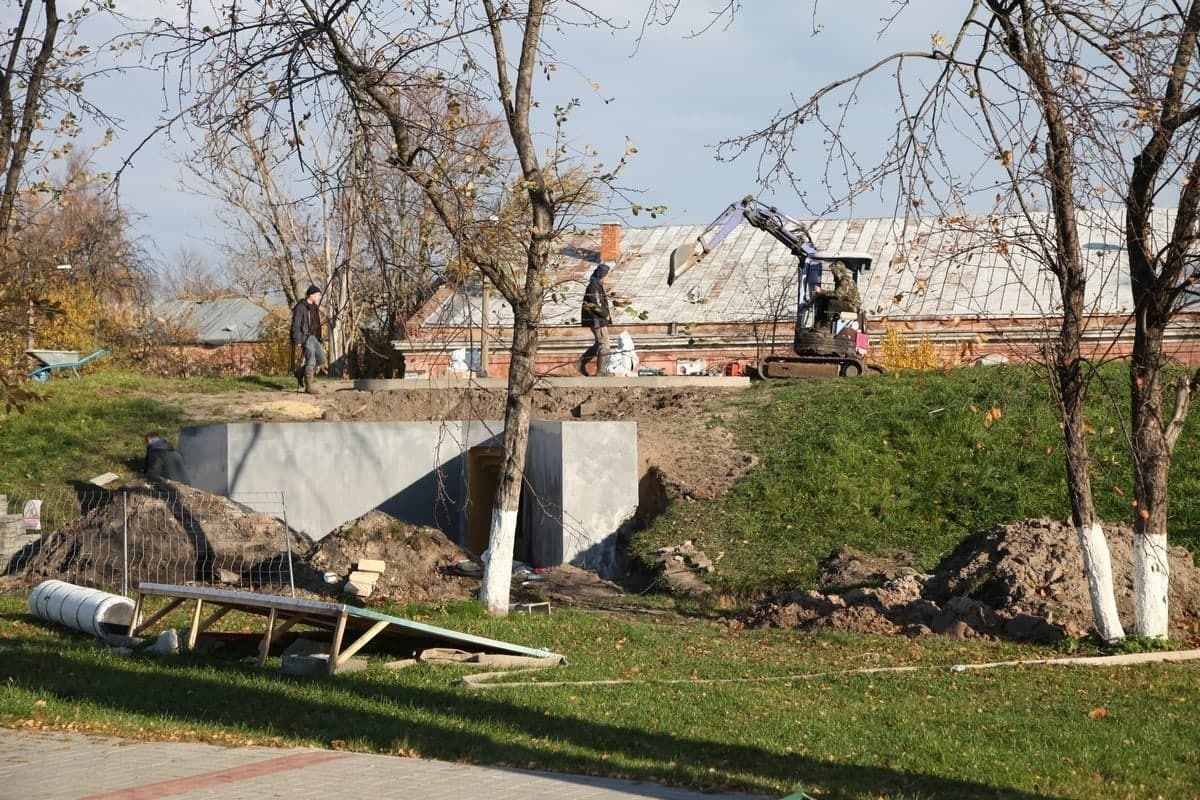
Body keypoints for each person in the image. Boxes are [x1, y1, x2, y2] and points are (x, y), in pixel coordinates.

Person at [578, 262, 613, 376]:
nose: (608, 277)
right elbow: (595, 304)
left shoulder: (596, 285)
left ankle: (581, 362)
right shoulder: (594, 286)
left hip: (597, 319)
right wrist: (605, 315)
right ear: (602, 275)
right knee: (605, 344)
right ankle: (601, 371)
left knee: (600, 343)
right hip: (597, 319)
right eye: (607, 275)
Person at [290, 284, 325, 394]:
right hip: (305, 338)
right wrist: (298, 340)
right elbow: (295, 324)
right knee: (311, 360)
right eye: (318, 295)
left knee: (321, 359)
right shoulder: (301, 307)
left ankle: (300, 373)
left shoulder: (314, 307)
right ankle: (308, 387)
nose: (319, 297)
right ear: (311, 295)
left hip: (315, 338)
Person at [811, 260, 860, 330]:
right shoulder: (839, 280)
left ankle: (827, 325)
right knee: (823, 300)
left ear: (838, 271)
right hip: (847, 303)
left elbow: (838, 294)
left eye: (833, 271)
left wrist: (822, 291)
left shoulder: (845, 280)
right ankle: (818, 325)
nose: (832, 273)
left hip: (853, 306)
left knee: (831, 303)